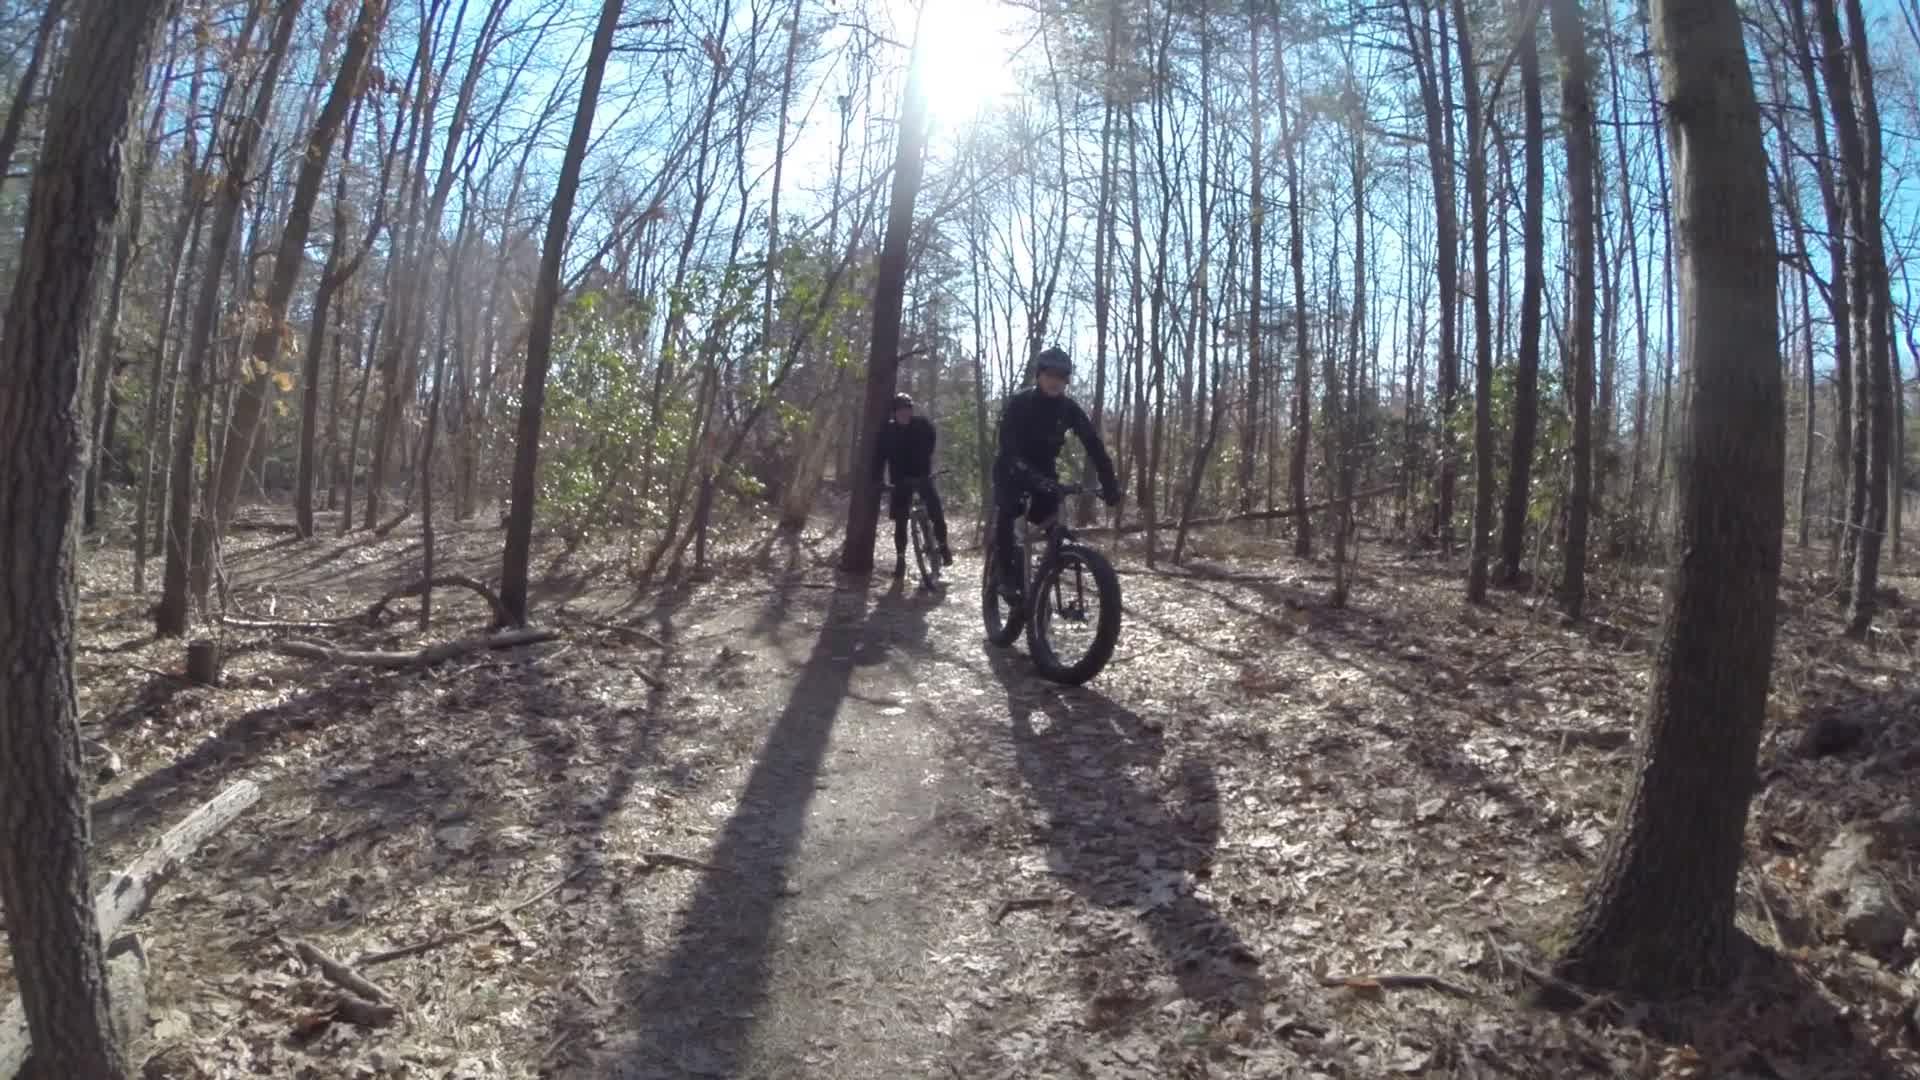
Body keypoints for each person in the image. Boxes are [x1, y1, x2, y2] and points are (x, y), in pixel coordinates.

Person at [991, 346, 1120, 599]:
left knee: (1053, 523)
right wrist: (1028, 476)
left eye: (1061, 377)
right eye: (1050, 375)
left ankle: (1045, 580)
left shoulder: (1068, 409)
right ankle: (1005, 575)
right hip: (1011, 468)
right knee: (1009, 512)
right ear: (1039, 375)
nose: (1055, 381)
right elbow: (1007, 447)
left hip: (1044, 470)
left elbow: (1093, 445)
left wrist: (1109, 483)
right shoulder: (1020, 403)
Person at [873, 391, 953, 577]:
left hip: (922, 476)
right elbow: (879, 457)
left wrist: (924, 460)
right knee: (901, 522)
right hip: (900, 480)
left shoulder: (922, 425)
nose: (905, 414)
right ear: (894, 413)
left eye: (908, 410)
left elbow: (931, 440)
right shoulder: (888, 431)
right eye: (901, 411)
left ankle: (943, 546)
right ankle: (900, 559)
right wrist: (879, 480)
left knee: (936, 513)